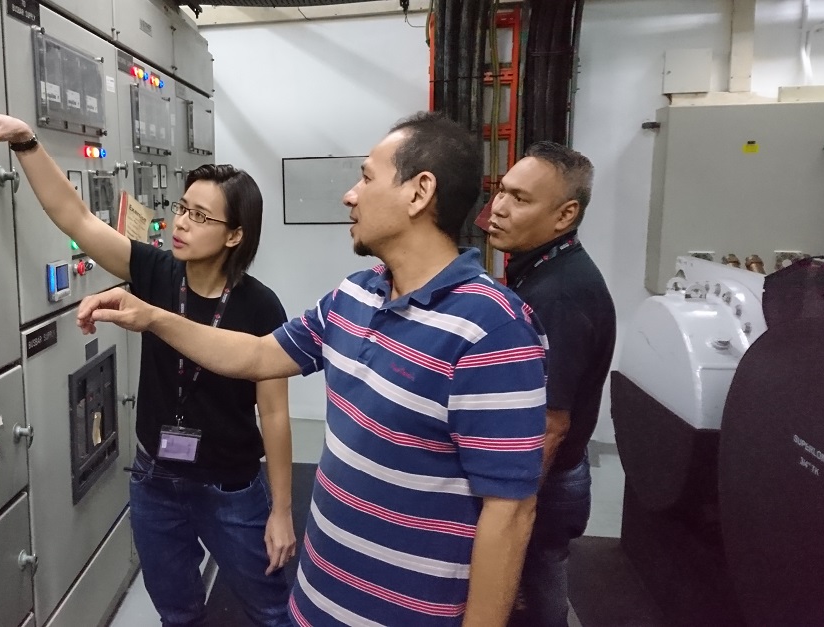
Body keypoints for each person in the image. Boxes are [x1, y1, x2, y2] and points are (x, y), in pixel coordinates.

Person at [76, 111, 548, 627]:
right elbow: (256, 356)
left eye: (366, 177)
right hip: (319, 600)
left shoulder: (492, 328)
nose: (350, 194)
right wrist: (152, 317)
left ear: (419, 193)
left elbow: (510, 512)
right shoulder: (354, 296)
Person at [0, 111, 296, 627]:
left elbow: (275, 416)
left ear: (233, 236)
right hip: (156, 480)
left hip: (229, 487)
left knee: (273, 611)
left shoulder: (260, 308)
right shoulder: (156, 271)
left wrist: (283, 511)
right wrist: (24, 140)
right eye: (182, 209)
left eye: (200, 217)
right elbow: (76, 219)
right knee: (178, 613)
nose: (180, 223)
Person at [485, 142, 616, 627]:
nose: (498, 207)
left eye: (519, 199)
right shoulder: (538, 273)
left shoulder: (559, 293)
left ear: (565, 216)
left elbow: (550, 426)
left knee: (537, 603)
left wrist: (511, 512)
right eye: (501, 191)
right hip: (545, 477)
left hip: (546, 483)